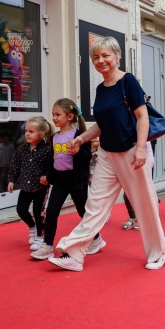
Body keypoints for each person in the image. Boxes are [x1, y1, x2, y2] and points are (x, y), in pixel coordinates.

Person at [47, 36, 165, 271]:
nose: (100, 60)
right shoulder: (101, 89)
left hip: (131, 151)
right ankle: (75, 254)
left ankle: (158, 253)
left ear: (117, 56)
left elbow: (142, 116)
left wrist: (140, 148)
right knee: (95, 205)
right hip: (106, 154)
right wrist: (81, 138)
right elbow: (101, 125)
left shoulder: (128, 81)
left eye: (105, 55)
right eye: (96, 57)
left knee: (144, 204)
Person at [30, 99, 103, 259]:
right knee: (51, 211)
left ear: (70, 116)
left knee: (83, 211)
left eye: (58, 114)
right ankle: (48, 245)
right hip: (60, 181)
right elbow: (52, 160)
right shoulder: (54, 137)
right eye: (53, 114)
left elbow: (87, 157)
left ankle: (96, 238)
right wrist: (48, 176)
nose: (54, 118)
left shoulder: (79, 136)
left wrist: (77, 151)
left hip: (76, 180)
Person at [7, 116, 53, 249]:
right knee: (21, 210)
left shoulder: (47, 150)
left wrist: (47, 177)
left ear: (42, 134)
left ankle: (40, 237)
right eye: (26, 131)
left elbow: (50, 167)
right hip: (25, 188)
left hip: (40, 188)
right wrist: (11, 180)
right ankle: (32, 226)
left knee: (39, 213)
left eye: (31, 131)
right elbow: (15, 165)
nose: (27, 134)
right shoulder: (21, 149)